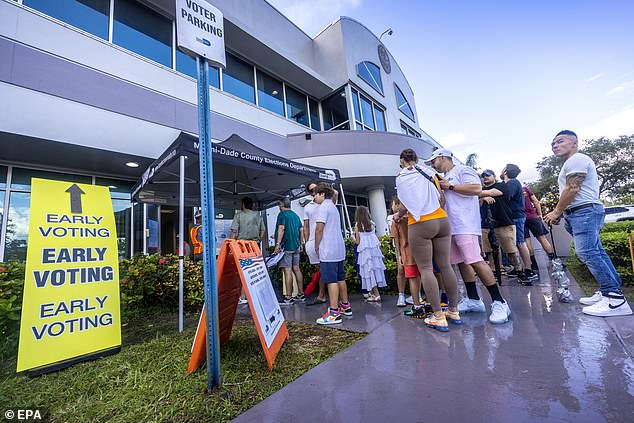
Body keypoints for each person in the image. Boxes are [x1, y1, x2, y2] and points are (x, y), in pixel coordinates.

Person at [544, 130, 632, 316]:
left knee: (588, 252)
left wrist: (557, 211)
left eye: (560, 141)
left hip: (585, 211)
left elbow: (572, 188)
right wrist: (563, 211)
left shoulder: (577, 159)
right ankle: (606, 290)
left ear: (574, 143)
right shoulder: (571, 163)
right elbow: (570, 191)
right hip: (579, 212)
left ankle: (615, 300)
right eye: (553, 143)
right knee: (596, 251)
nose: (555, 145)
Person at [427, 149, 511, 324]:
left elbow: (476, 188)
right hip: (451, 226)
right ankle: (473, 299)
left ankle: (499, 302)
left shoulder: (463, 170)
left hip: (465, 224)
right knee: (461, 262)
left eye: (433, 161)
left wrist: (449, 186)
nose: (432, 165)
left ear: (442, 157)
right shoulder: (444, 176)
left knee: (475, 260)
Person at [396, 148, 460, 332]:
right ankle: (454, 311)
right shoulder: (430, 172)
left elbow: (405, 204)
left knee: (425, 269)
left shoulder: (401, 177)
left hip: (420, 222)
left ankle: (438, 316)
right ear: (416, 159)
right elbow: (441, 199)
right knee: (446, 266)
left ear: (402, 160)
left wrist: (399, 216)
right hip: (441, 219)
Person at [480, 170, 529, 284]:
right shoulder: (480, 190)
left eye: (488, 175)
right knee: (490, 251)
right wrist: (483, 198)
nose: (485, 177)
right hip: (485, 224)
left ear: (494, 176)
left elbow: (494, 192)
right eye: (483, 176)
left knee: (511, 250)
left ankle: (520, 272)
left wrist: (482, 194)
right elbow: (475, 199)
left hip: (504, 222)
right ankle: (494, 273)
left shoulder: (502, 185)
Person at [313, 183, 351, 325]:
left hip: (328, 249)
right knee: (340, 277)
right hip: (338, 248)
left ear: (322, 194)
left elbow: (319, 229)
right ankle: (345, 306)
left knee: (331, 280)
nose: (314, 197)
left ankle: (334, 313)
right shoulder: (333, 206)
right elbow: (335, 193)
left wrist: (316, 246)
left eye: (315, 194)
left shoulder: (323, 208)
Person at [501, 164, 538, 281]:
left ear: (506, 171)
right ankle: (521, 268)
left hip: (516, 216)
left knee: (520, 243)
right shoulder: (514, 182)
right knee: (517, 243)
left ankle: (528, 269)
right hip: (516, 216)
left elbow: (507, 196)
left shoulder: (512, 182)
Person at [230, 197, 265, 304]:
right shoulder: (257, 216)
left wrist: (231, 245)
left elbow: (234, 232)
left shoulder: (238, 215)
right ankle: (255, 296)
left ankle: (242, 296)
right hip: (255, 246)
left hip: (242, 246)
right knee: (255, 271)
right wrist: (258, 240)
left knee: (243, 271)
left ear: (243, 204)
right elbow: (262, 230)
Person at [390, 196, 421, 308]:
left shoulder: (396, 220)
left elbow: (396, 239)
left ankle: (415, 303)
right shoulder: (416, 216)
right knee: (421, 274)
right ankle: (421, 299)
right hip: (420, 250)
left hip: (406, 252)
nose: (393, 206)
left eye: (394, 204)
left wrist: (399, 256)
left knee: (411, 276)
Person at [273, 197, 305, 305]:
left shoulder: (282, 215)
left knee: (287, 270)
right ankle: (301, 294)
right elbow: (301, 230)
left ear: (282, 205)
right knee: (297, 269)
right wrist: (301, 244)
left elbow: (281, 228)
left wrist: (277, 244)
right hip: (296, 246)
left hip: (286, 246)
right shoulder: (296, 215)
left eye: (279, 205)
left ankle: (288, 297)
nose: (279, 207)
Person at [353, 206, 387, 301]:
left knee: (367, 272)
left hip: (364, 252)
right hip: (373, 252)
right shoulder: (372, 224)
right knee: (374, 271)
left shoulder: (358, 225)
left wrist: (353, 238)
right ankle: (373, 293)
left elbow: (358, 242)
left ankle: (376, 294)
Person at [303, 183, 328, 306]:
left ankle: (323, 295)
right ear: (310, 193)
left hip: (327, 240)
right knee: (321, 269)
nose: (316, 191)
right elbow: (306, 226)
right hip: (314, 242)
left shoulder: (327, 203)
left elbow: (335, 194)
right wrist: (307, 242)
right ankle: (322, 295)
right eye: (313, 190)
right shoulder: (308, 207)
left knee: (327, 268)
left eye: (317, 188)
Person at [522, 186, 555, 271]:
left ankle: (534, 263)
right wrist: (540, 214)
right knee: (542, 238)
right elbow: (536, 202)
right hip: (532, 217)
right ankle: (554, 261)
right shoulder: (525, 189)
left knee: (526, 241)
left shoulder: (511, 190)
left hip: (520, 218)